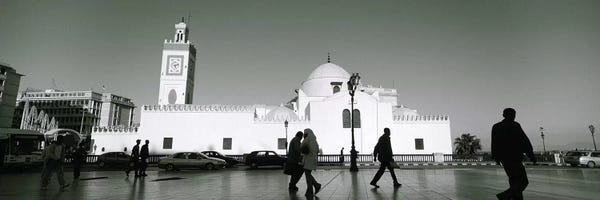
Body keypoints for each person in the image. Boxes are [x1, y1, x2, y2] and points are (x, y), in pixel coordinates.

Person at [492, 108, 536, 200]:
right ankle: (504, 196)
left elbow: (494, 143)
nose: (513, 116)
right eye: (513, 114)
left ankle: (515, 198)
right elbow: (524, 141)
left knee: (513, 181)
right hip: (515, 158)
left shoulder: (496, 127)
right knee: (523, 181)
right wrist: (530, 154)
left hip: (504, 159)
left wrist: (496, 157)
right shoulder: (515, 126)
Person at [300, 128, 322, 197]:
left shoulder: (308, 138)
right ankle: (314, 187)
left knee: (307, 174)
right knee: (308, 174)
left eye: (304, 134)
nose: (304, 135)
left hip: (308, 159)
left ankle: (311, 189)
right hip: (313, 159)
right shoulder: (314, 140)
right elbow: (318, 150)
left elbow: (301, 146)